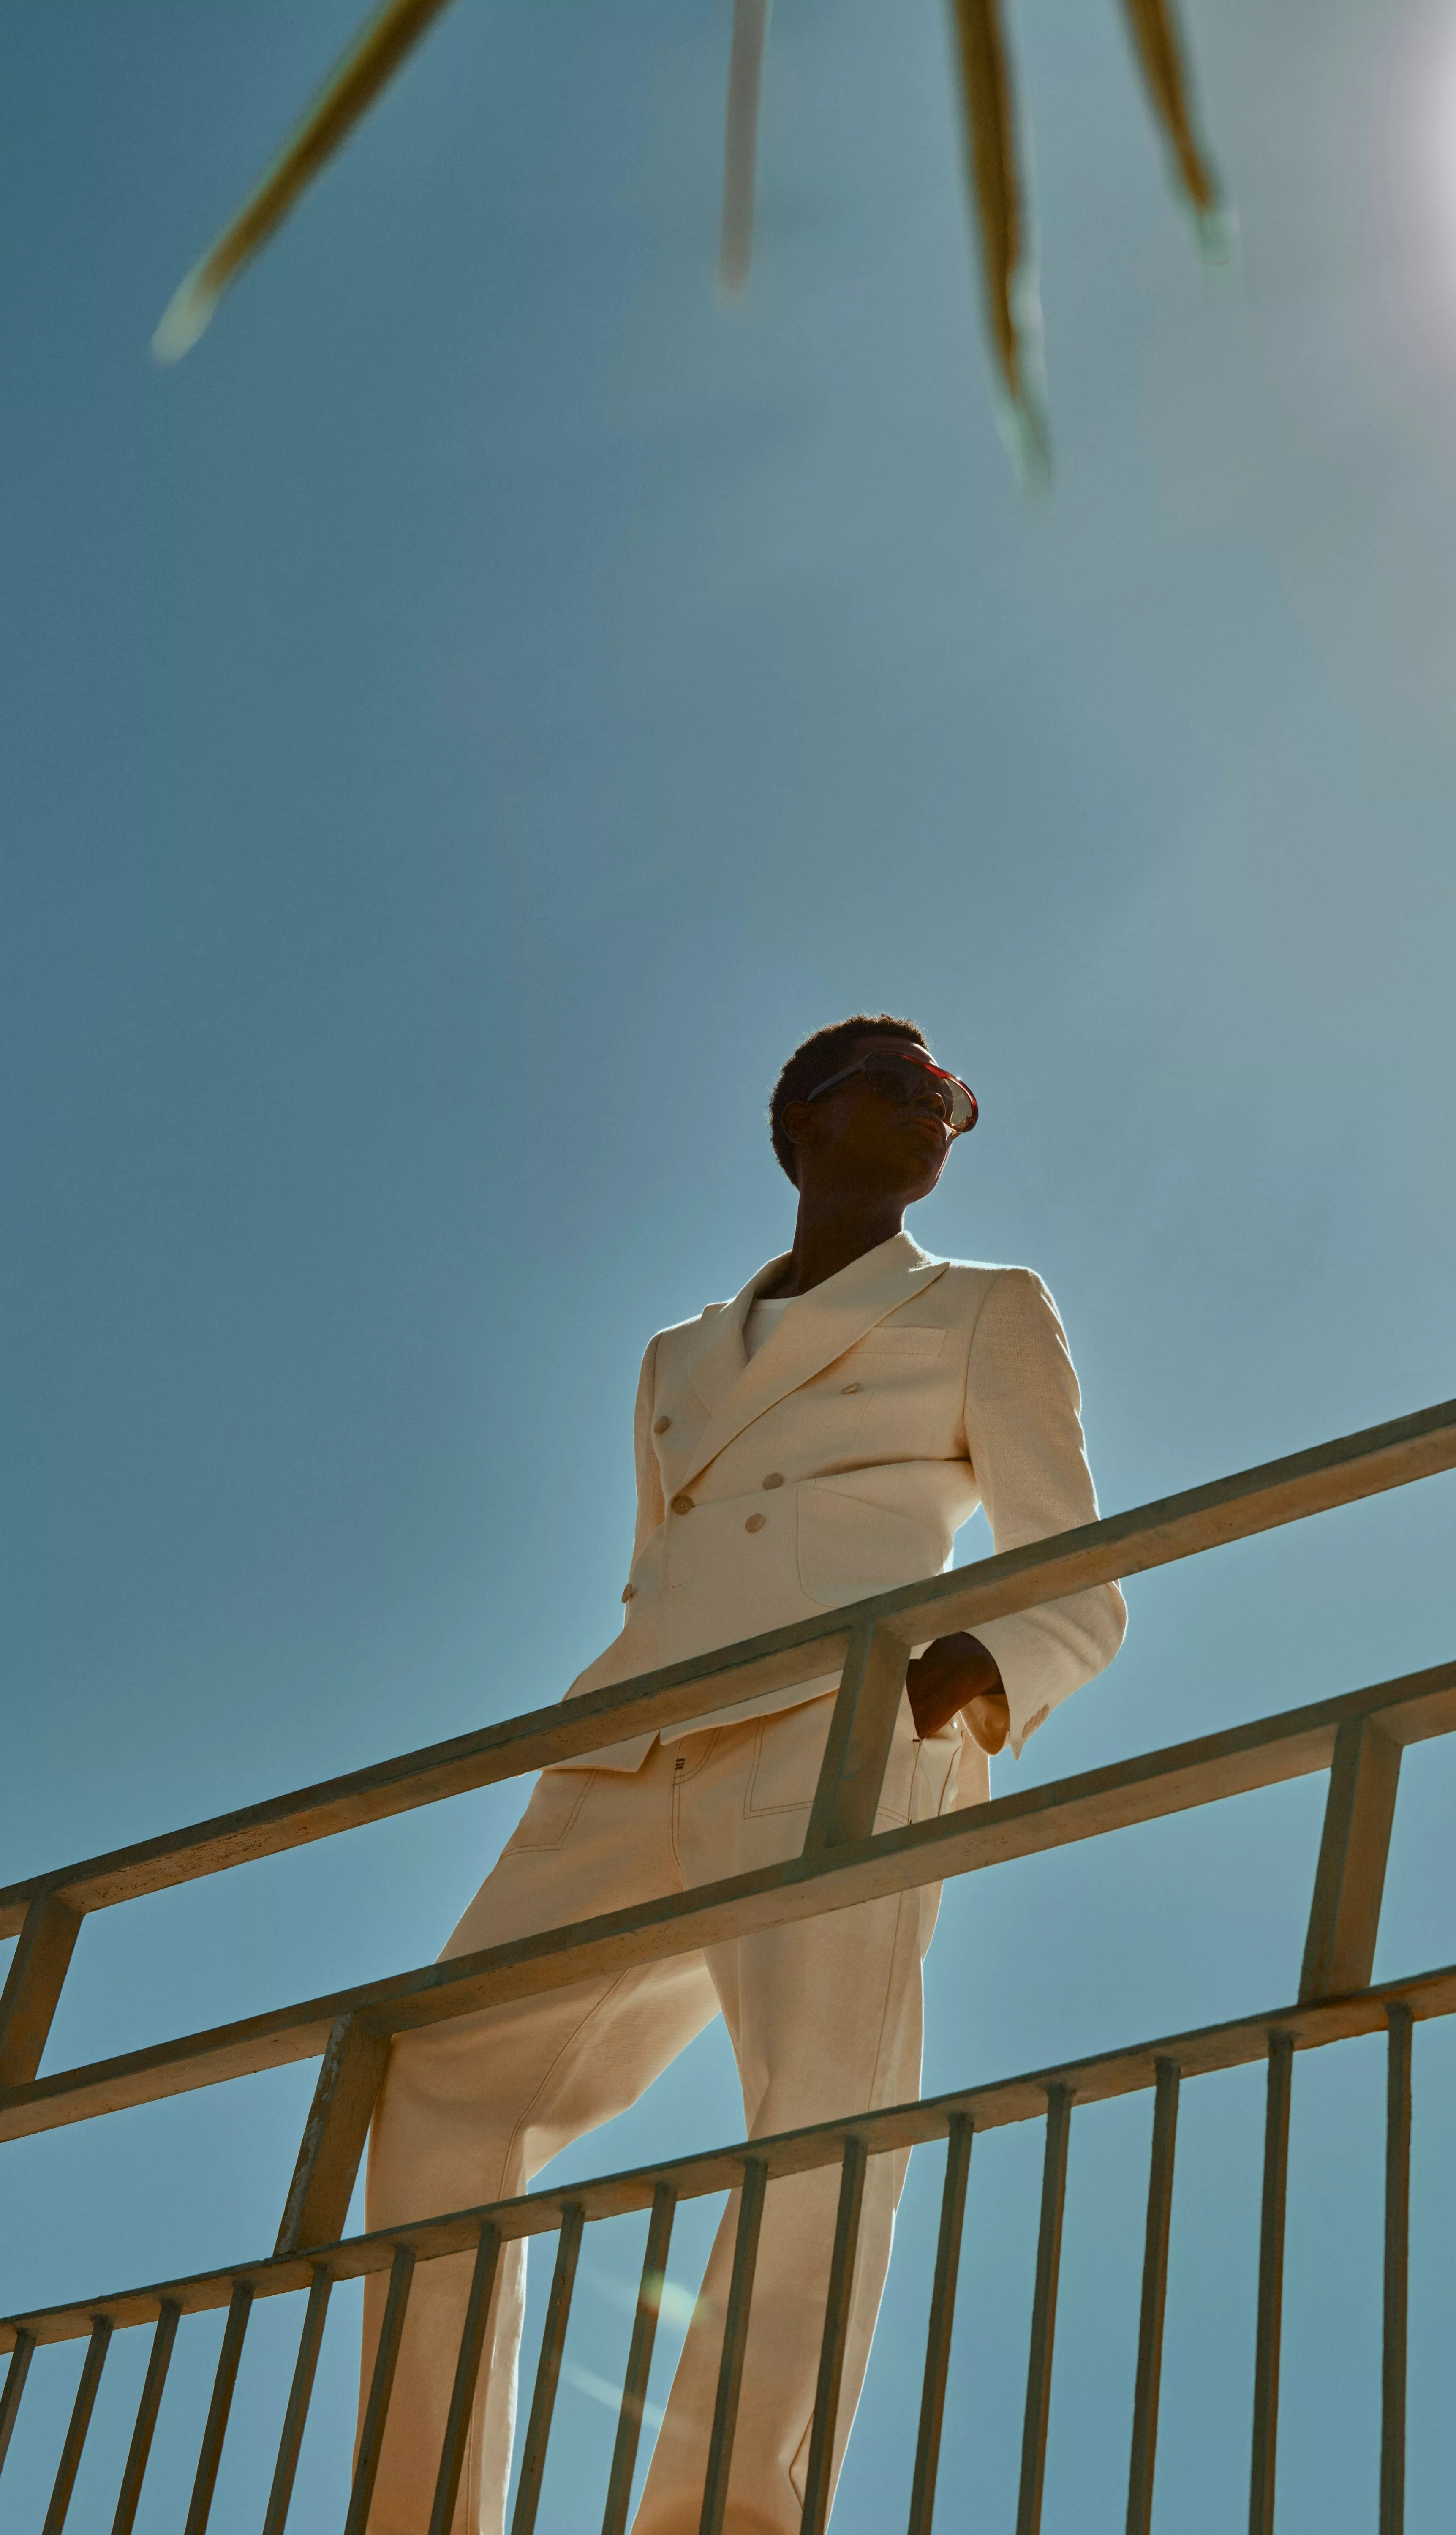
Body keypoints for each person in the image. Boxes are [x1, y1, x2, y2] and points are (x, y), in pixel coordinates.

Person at [359, 1015, 1127, 2535]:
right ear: (803, 1121)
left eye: (954, 1101)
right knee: (438, 2079)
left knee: (824, 2110)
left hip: (848, 1723)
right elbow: (662, 1573)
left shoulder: (983, 1308)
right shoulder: (671, 1359)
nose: (936, 1115)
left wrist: (994, 1661)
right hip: (629, 1738)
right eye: (904, 1087)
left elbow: (1080, 1570)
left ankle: (723, 2520)